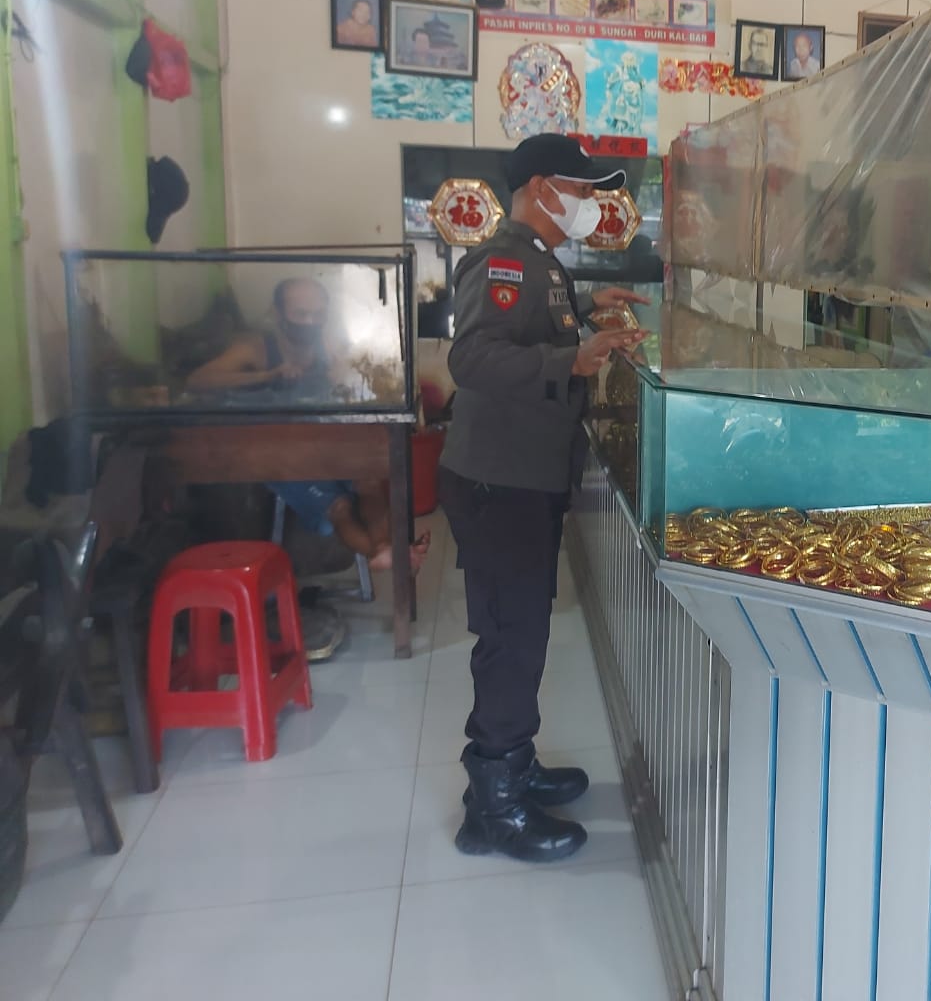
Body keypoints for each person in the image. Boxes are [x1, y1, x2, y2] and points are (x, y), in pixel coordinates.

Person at [438, 133, 649, 864]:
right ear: (539, 188)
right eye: (581, 190)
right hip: (500, 482)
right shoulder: (502, 259)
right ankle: (493, 808)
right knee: (511, 638)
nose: (590, 203)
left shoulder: (538, 260)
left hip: (524, 476)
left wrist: (587, 308)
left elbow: (531, 322)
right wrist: (573, 357)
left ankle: (515, 767)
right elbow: (472, 356)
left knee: (523, 631)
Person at [186, 278, 431, 579]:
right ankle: (381, 553)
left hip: (327, 445)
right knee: (339, 506)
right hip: (281, 454)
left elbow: (356, 383)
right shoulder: (257, 347)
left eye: (318, 314)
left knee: (369, 481)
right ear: (278, 313)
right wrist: (268, 376)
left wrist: (346, 373)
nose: (310, 322)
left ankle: (382, 550)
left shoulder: (327, 344)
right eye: (300, 314)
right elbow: (199, 380)